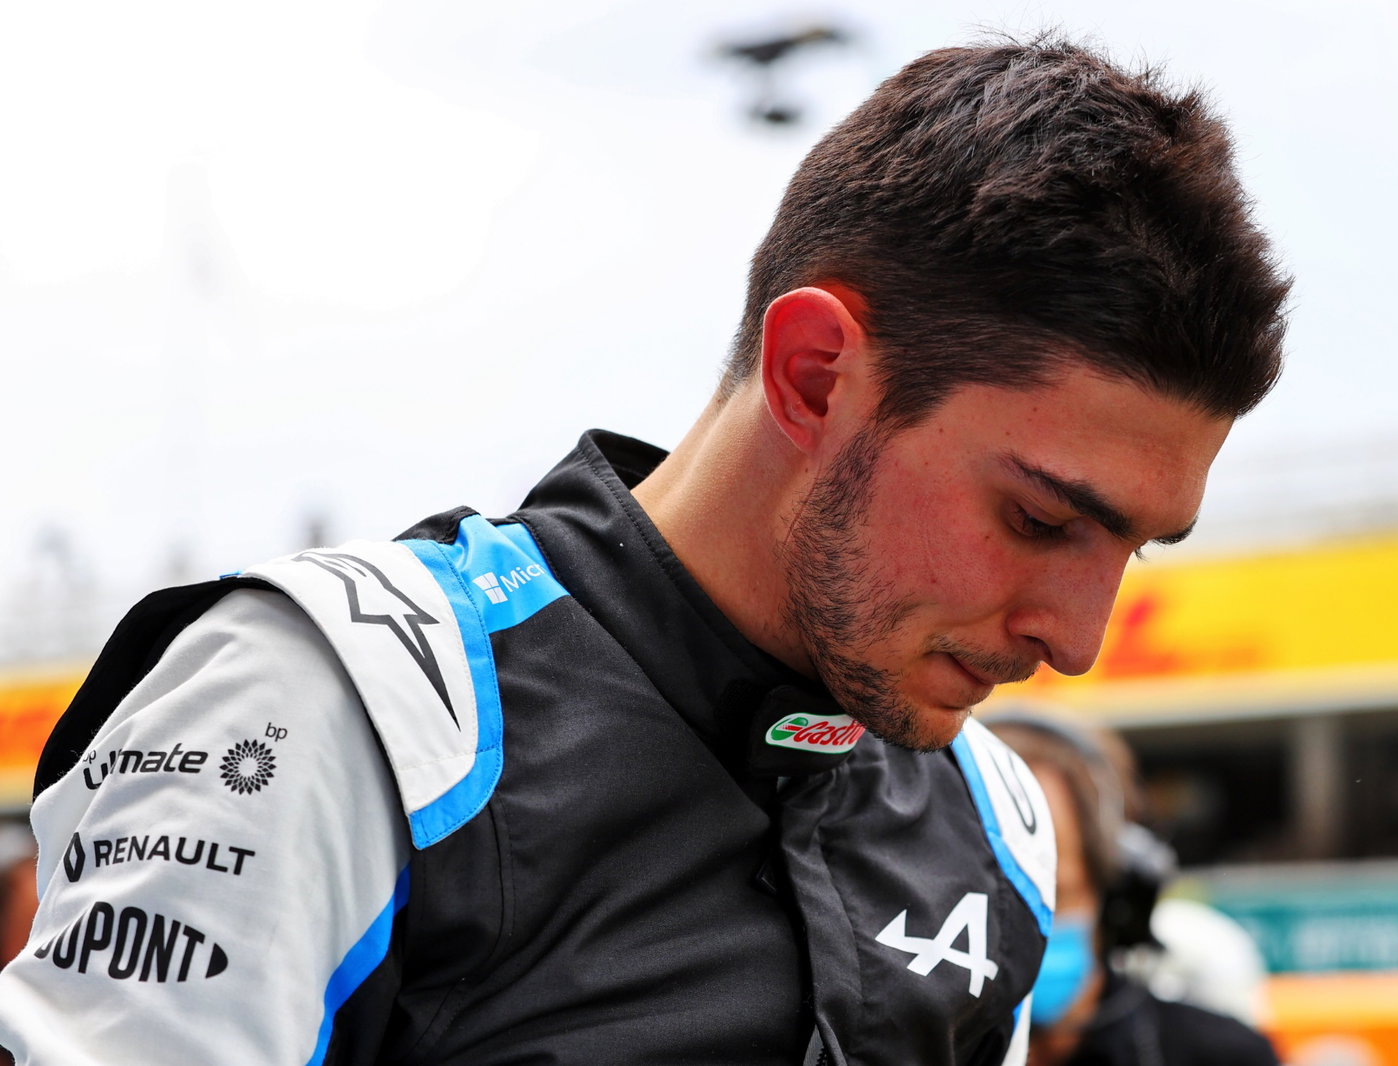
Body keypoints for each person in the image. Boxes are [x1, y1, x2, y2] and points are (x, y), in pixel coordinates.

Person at [0, 35, 1290, 1066]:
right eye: (1043, 519)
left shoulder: (997, 817)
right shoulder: (346, 707)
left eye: (1132, 547)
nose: (1075, 635)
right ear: (813, 372)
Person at [985, 715, 1280, 1066]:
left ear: (1118, 891)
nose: (1010, 930)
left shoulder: (1225, 1055)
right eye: (984, 903)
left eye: (1049, 898)